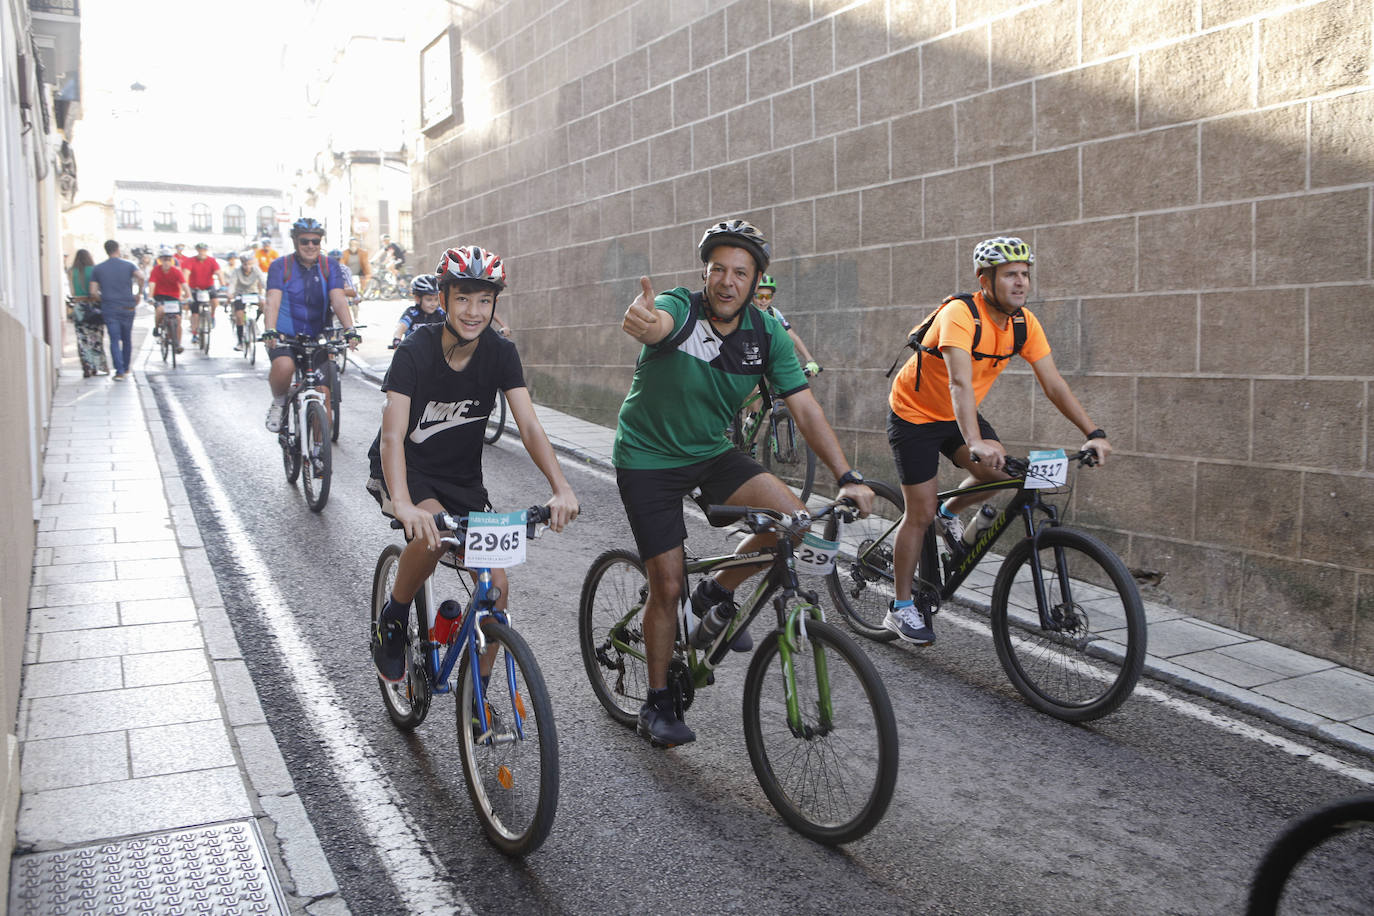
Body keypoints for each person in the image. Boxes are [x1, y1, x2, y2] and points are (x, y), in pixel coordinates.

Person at [613, 218, 874, 747]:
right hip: (647, 459)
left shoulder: (766, 333)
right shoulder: (680, 308)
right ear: (705, 274)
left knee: (794, 523)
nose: (727, 282)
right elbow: (657, 322)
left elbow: (804, 406)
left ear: (756, 282)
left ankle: (713, 590)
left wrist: (847, 476)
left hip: (711, 453)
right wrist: (645, 321)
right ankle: (657, 701)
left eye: (740, 272)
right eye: (718, 270)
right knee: (666, 585)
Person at [884, 237, 1112, 646]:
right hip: (915, 414)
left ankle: (949, 512)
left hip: (959, 414)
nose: (1021, 282)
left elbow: (1054, 383)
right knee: (918, 514)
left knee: (1006, 474)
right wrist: (974, 440)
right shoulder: (960, 313)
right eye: (1010, 274)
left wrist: (1092, 432)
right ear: (985, 279)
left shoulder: (1024, 323)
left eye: (1025, 273)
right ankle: (901, 608)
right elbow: (958, 381)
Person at [367, 244, 579, 682]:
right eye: (463, 298)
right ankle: (394, 614)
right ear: (443, 299)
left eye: (484, 300)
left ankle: (477, 702)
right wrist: (404, 504)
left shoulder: (500, 353)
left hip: (463, 481)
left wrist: (561, 487)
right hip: (407, 470)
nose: (473, 311)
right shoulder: (415, 350)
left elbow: (531, 426)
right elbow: (392, 434)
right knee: (431, 536)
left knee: (497, 590)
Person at [261, 217, 360, 432]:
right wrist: (270, 330)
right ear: (296, 241)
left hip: (317, 335)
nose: (310, 246)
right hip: (285, 335)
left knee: (324, 399)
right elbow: (273, 300)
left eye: (316, 241)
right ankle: (278, 402)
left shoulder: (329, 266)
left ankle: (316, 456)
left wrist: (350, 329)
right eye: (305, 241)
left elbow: (339, 299)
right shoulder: (280, 266)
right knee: (284, 366)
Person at [89, 240, 145, 381]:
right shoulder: (129, 265)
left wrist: (103, 298)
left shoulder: (98, 269)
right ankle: (126, 368)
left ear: (106, 250)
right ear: (118, 249)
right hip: (127, 306)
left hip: (110, 308)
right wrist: (138, 293)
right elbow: (141, 277)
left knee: (114, 339)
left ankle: (119, 371)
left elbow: (93, 292)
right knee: (127, 339)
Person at [753, 274, 820, 377]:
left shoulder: (774, 313)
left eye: (768, 296)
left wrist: (810, 360)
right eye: (759, 296)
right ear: (752, 295)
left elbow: (792, 336)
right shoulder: (746, 312)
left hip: (771, 362)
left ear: (773, 297)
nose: (764, 300)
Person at [66, 249, 108, 377]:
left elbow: (73, 292)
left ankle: (86, 367)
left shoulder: (71, 271)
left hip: (79, 307)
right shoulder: (95, 270)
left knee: (82, 339)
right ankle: (97, 366)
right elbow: (98, 290)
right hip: (93, 306)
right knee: (96, 338)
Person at [148, 248, 189, 353]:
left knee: (178, 319)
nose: (166, 261)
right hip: (160, 296)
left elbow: (184, 285)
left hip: (174, 297)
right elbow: (152, 284)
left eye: (168, 259)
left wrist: (189, 296)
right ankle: (156, 327)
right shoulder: (156, 270)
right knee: (160, 310)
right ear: (160, 260)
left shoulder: (176, 271)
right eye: (164, 259)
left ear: (171, 260)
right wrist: (150, 296)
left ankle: (177, 344)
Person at [224, 249, 266, 351]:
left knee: (264, 305)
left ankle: (256, 323)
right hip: (240, 294)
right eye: (245, 264)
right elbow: (232, 284)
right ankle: (240, 341)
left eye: (249, 264)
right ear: (242, 263)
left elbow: (263, 281)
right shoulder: (236, 271)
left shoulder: (256, 269)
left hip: (253, 293)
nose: (247, 267)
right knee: (239, 316)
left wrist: (269, 292)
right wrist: (230, 294)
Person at [388, 274, 445, 347]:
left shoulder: (440, 312)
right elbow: (400, 328)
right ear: (417, 299)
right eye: (429, 299)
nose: (433, 303)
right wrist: (397, 340)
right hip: (413, 352)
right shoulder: (412, 313)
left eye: (436, 299)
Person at [184, 242, 222, 344]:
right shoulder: (191, 260)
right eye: (200, 250)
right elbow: (186, 273)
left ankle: (212, 315)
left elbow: (218, 272)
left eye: (204, 250)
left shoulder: (211, 260)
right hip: (194, 288)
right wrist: (186, 287)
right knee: (195, 313)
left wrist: (222, 284)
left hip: (208, 287)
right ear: (197, 251)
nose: (202, 252)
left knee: (214, 300)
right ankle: (194, 333)